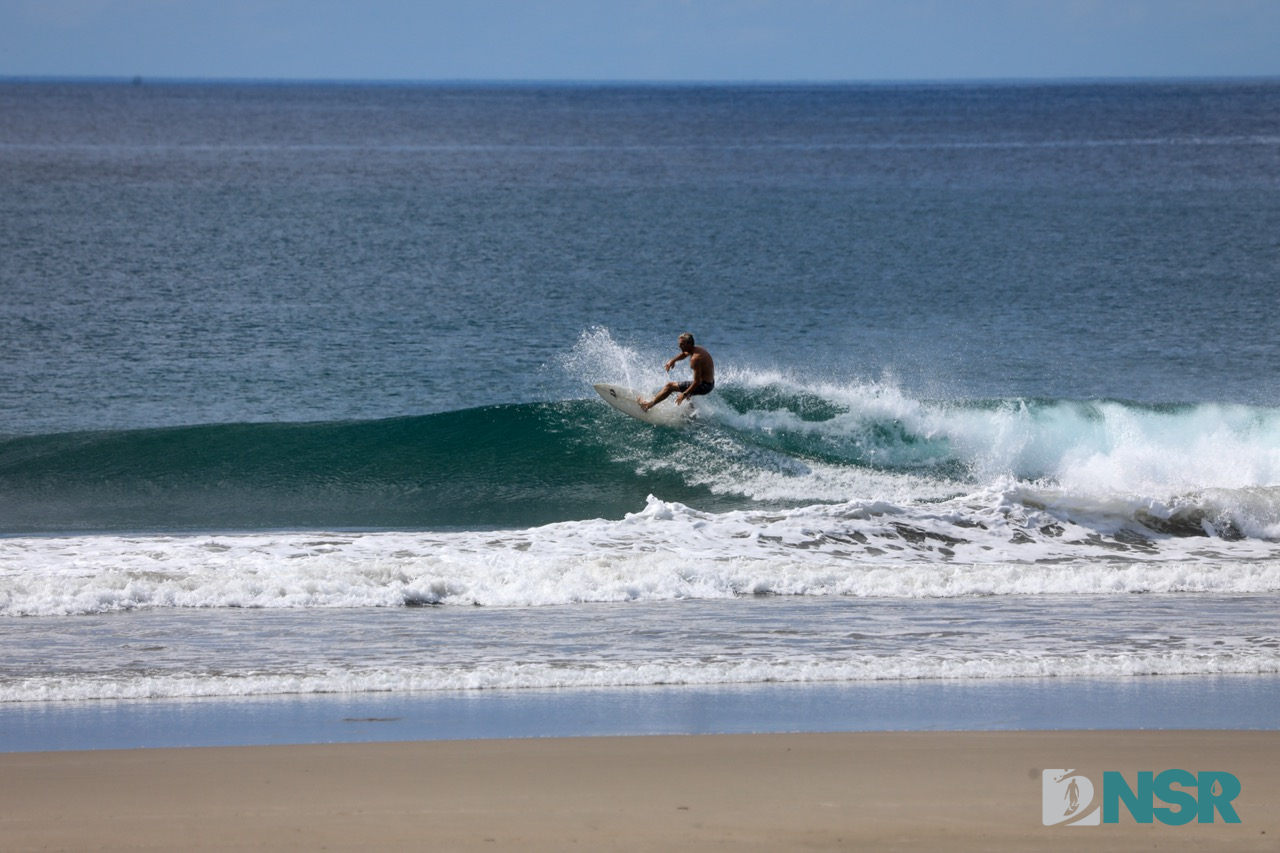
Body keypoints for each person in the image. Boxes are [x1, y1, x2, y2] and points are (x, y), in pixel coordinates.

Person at [638, 333, 715, 411]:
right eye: (679, 344)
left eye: (682, 344)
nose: (679, 346)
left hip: (704, 386)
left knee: (670, 386)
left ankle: (647, 406)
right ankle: (692, 415)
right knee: (687, 391)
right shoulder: (697, 349)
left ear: (689, 344)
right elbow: (685, 354)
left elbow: (697, 382)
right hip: (710, 384)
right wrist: (673, 360)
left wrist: (684, 394)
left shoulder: (695, 359)